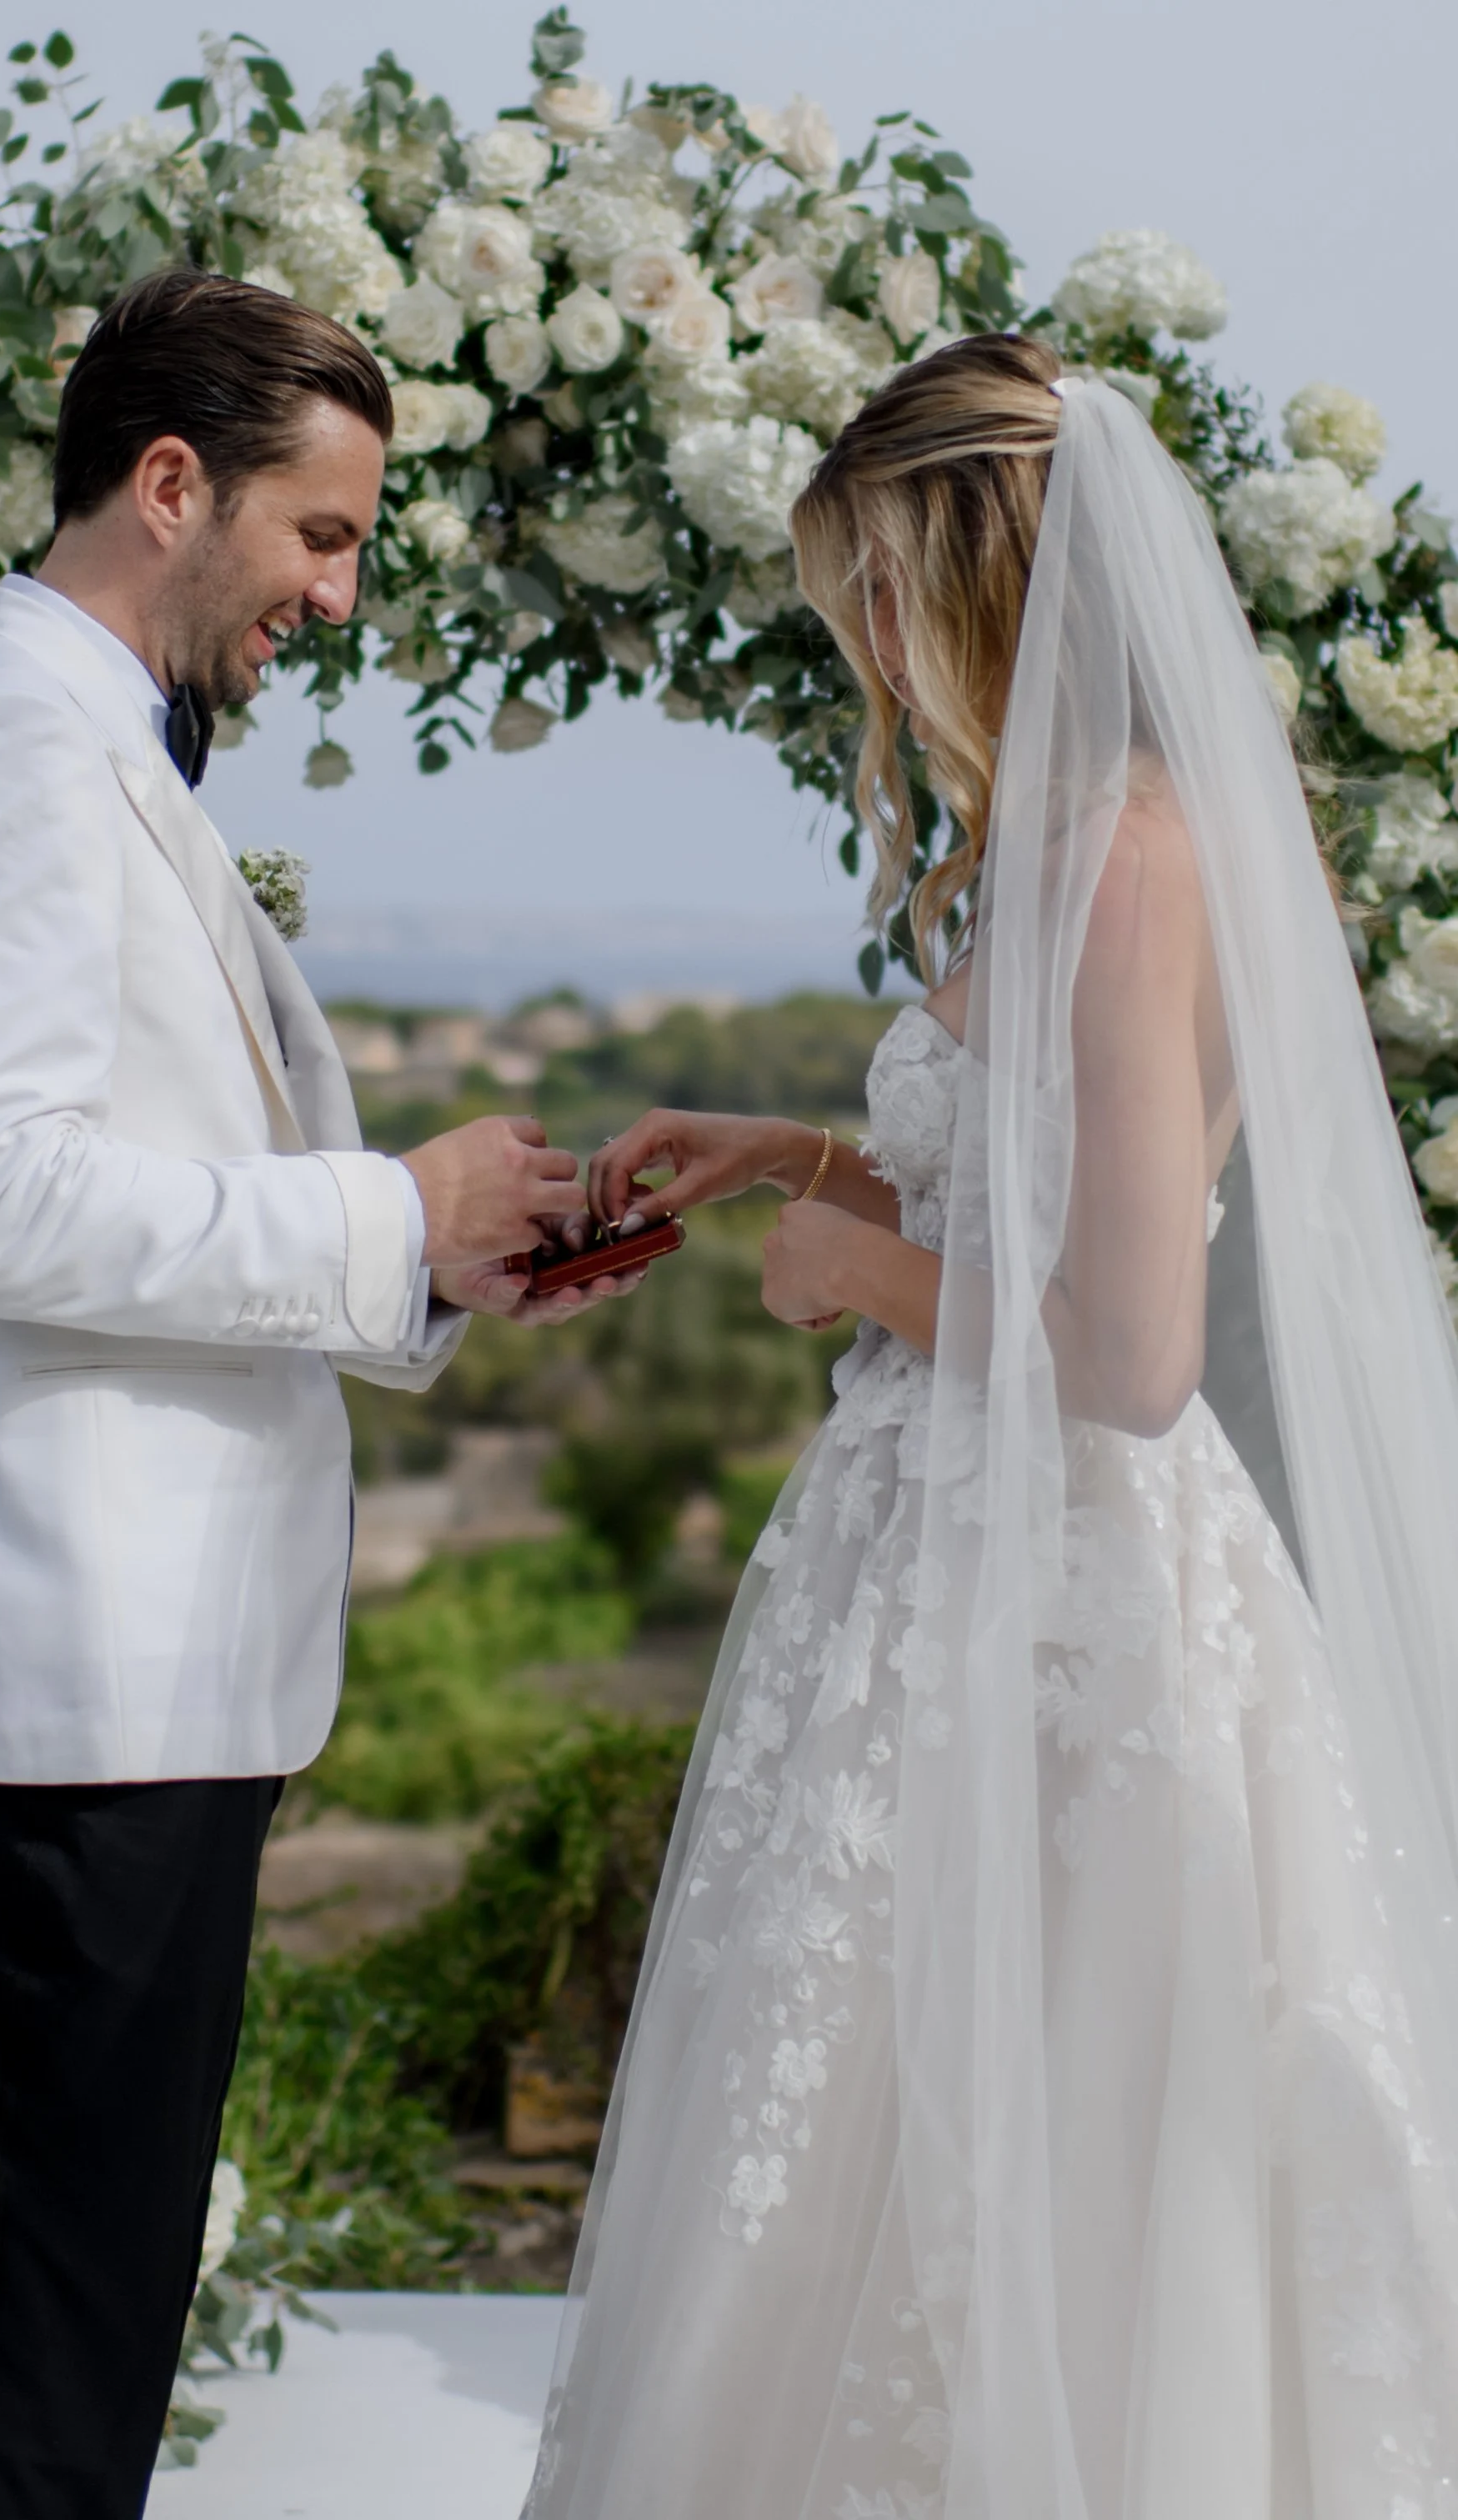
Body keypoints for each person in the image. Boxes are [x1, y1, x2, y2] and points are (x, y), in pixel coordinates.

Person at [524, 336, 1458, 2517]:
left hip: (1074, 1601)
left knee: (1052, 2112)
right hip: (935, 1563)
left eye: (873, 596)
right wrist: (784, 1160)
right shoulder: (1031, 849)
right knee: (865, 2094)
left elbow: (1125, 1344)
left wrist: (853, 1278)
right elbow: (1013, 1206)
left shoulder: (1138, 864)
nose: (863, 651)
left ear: (979, 573)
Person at [0, 268, 637, 2520]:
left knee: (68, 2381)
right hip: (51, 1701)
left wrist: (434, 1253)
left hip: (124, 1699)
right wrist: (379, 1209)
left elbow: (144, 1181)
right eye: (319, 536)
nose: (336, 597)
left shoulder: (77, 756)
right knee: (31, 2405)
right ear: (173, 486)